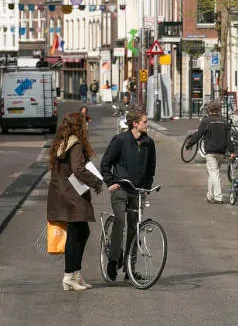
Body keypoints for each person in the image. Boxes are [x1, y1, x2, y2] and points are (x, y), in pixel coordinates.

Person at [47, 112, 104, 291]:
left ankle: (76, 275)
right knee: (75, 234)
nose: (86, 126)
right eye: (84, 123)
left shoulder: (62, 142)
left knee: (82, 232)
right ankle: (69, 276)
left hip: (62, 193)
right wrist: (96, 182)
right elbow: (78, 170)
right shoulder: (76, 144)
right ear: (78, 126)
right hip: (72, 195)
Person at [99, 109, 156, 281]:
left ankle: (130, 269)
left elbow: (151, 168)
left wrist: (147, 187)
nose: (147, 124)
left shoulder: (149, 143)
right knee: (120, 221)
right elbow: (105, 163)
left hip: (137, 192)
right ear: (135, 124)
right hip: (120, 189)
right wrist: (110, 182)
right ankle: (113, 260)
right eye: (145, 121)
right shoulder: (120, 140)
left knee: (135, 228)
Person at [193, 101, 230, 203]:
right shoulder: (224, 121)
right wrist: (232, 151)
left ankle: (218, 197)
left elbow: (198, 134)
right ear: (219, 110)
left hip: (210, 151)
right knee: (213, 173)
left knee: (214, 173)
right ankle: (210, 195)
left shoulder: (206, 121)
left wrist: (189, 143)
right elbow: (228, 138)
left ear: (209, 110)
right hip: (221, 151)